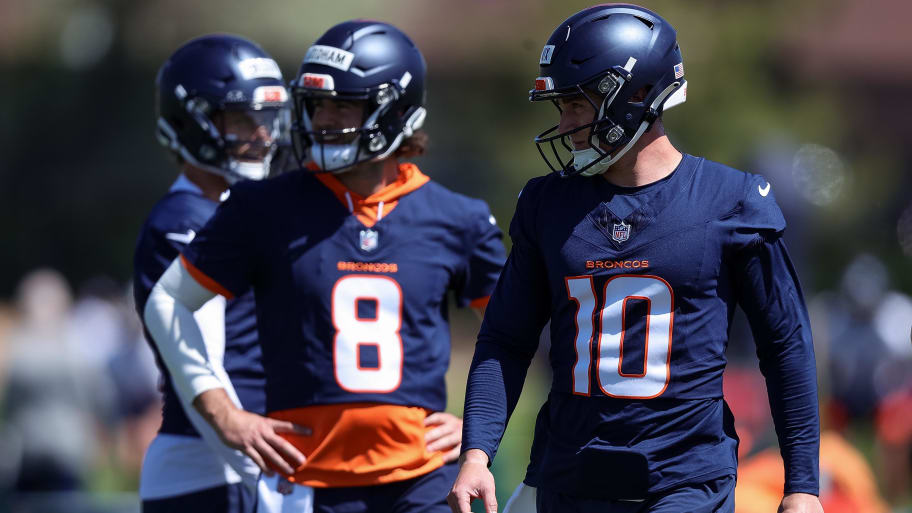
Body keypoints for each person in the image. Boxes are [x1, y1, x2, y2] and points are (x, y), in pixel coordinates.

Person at [448, 5, 822, 513]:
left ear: (638, 94)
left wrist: (802, 486)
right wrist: (477, 454)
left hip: (683, 483)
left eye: (578, 105)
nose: (566, 125)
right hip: (570, 477)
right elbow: (505, 340)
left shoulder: (731, 201)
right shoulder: (548, 204)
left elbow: (785, 347)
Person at [142, 20, 506, 513]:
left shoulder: (455, 216)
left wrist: (479, 428)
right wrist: (223, 414)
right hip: (307, 478)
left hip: (421, 479)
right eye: (316, 105)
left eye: (343, 104)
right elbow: (169, 301)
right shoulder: (263, 206)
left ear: (395, 111)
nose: (325, 120)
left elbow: (517, 336)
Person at [134, 34, 290, 513]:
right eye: (243, 119)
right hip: (218, 472)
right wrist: (263, 479)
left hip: (235, 468)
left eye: (265, 119)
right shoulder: (185, 221)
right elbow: (201, 367)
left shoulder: (235, 210)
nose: (262, 135)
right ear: (193, 122)